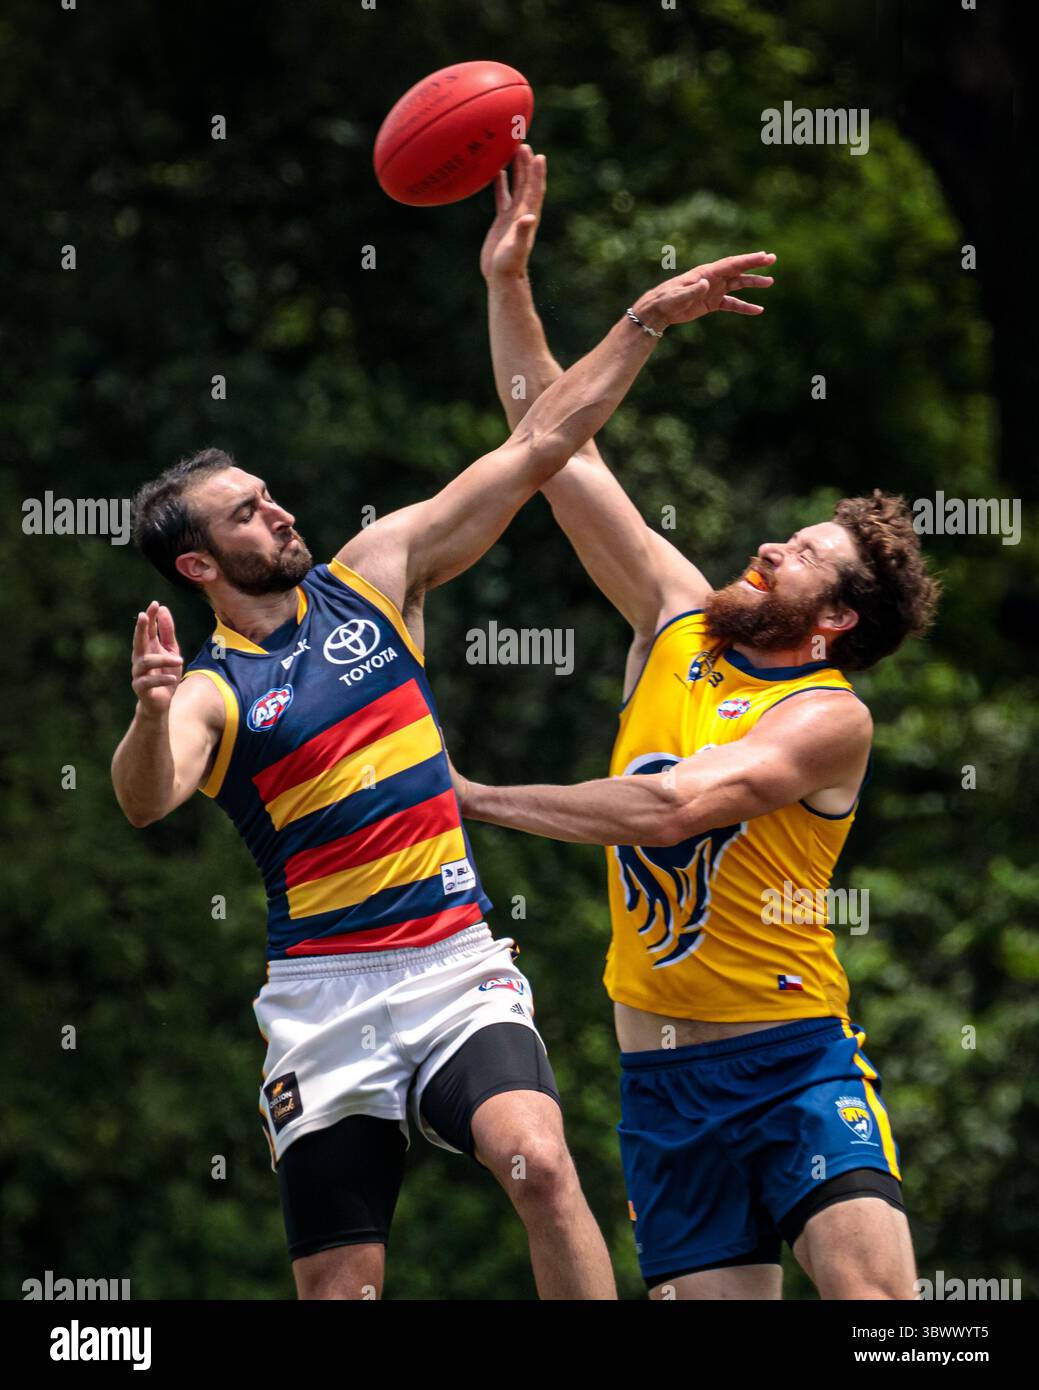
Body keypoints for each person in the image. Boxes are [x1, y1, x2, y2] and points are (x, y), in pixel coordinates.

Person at [110, 250, 739, 1300]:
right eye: (247, 514)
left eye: (269, 495)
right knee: (341, 1288)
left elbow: (541, 441)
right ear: (198, 567)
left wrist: (644, 318)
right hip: (322, 998)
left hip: (453, 966)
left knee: (538, 1161)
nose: (278, 512)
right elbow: (143, 797)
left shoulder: (375, 576)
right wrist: (149, 709)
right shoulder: (214, 690)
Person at [456, 144, 941, 1300]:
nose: (768, 546)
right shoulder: (676, 618)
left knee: (878, 1308)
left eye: (802, 557)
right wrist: (509, 283)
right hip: (660, 1082)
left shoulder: (828, 718)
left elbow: (673, 808)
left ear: (831, 623)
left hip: (790, 1063)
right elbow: (550, 448)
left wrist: (469, 795)